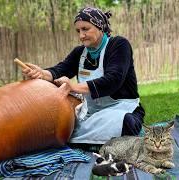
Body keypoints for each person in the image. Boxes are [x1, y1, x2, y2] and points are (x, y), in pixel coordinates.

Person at [22, 7, 145, 147]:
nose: (81, 35)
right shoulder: (79, 53)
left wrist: (73, 86)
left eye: (85, 29)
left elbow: (113, 80)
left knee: (127, 122)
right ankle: (94, 140)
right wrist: (42, 73)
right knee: (64, 128)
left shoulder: (119, 45)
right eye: (78, 31)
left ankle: (88, 140)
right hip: (92, 114)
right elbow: (60, 70)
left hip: (121, 108)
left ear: (100, 26)